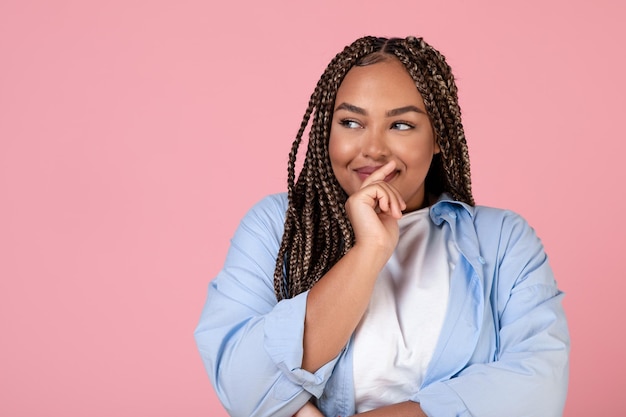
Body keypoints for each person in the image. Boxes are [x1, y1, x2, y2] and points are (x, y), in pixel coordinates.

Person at [194, 36, 569, 417]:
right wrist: (369, 251)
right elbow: (241, 384)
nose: (372, 149)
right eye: (351, 122)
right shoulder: (277, 227)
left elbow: (538, 390)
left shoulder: (502, 239)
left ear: (439, 137)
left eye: (401, 125)